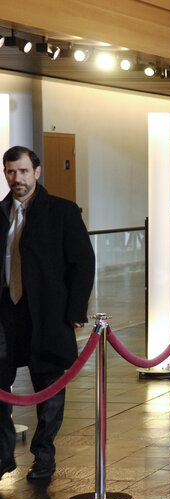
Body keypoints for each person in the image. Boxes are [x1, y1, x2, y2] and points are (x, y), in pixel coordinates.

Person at [0, 146, 95, 480]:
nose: (17, 179)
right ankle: (2, 455)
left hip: (47, 313)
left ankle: (44, 455)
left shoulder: (62, 212)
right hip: (4, 312)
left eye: (23, 171)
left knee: (50, 384)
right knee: (0, 383)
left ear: (37, 172)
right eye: (11, 172)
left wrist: (76, 309)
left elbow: (82, 263)